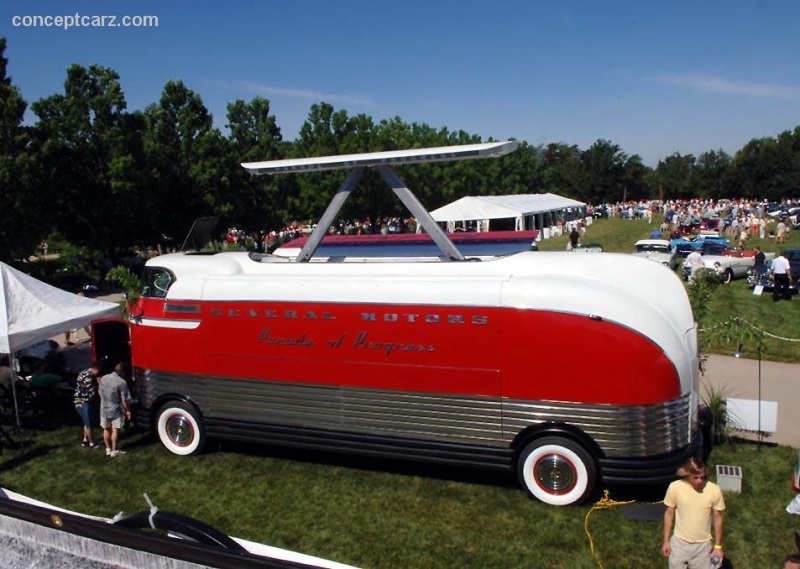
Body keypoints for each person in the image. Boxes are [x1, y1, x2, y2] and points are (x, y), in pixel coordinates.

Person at [662, 458, 726, 569]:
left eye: (702, 477)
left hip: (703, 546)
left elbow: (718, 519)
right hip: (679, 543)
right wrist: (666, 541)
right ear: (687, 475)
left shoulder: (714, 490)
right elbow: (669, 514)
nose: (700, 481)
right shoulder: (675, 487)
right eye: (695, 478)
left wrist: (718, 546)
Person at [98, 362, 132, 457]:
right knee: (115, 430)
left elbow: (100, 392)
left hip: (104, 408)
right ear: (123, 372)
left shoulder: (103, 378)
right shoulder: (122, 382)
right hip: (116, 410)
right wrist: (128, 411)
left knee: (106, 429)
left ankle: (108, 449)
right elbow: (124, 400)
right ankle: (115, 450)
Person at [74, 362, 100, 448]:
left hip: (78, 400)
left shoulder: (82, 372)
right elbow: (91, 391)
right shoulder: (89, 377)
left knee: (86, 421)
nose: (98, 373)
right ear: (94, 369)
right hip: (84, 402)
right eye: (98, 371)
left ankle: (85, 440)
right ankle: (92, 443)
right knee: (89, 424)